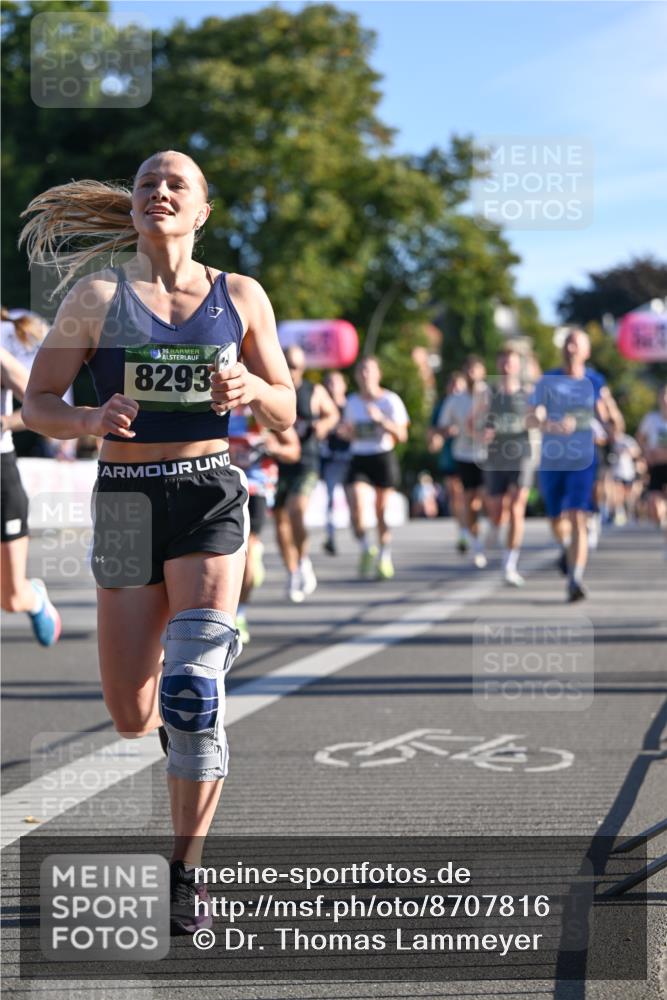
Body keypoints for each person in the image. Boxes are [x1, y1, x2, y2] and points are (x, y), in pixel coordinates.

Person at [20, 149, 296, 933]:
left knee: (192, 689)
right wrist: (87, 419)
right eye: (147, 184)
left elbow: (286, 408)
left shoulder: (239, 295)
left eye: (176, 184)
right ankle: (178, 711)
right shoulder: (96, 296)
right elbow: (39, 402)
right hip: (126, 503)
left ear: (203, 209)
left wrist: (254, 390)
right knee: (135, 714)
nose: (159, 192)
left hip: (209, 491)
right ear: (134, 208)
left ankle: (185, 870)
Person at [529, 328, 622, 601]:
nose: (570, 348)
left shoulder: (595, 380)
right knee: (556, 519)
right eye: (568, 342)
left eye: (576, 343)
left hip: (583, 458)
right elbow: (531, 417)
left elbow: (607, 416)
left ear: (586, 351)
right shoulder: (548, 380)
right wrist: (550, 424)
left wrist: (612, 421)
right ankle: (566, 547)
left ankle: (575, 579)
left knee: (577, 515)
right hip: (552, 458)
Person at [0, 343, 61, 645]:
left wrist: (4, 422)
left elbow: (39, 405)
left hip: (2, 478)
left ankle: (34, 598)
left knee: (10, 599)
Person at [228, 404, 300, 642]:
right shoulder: (214, 403)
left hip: (256, 486)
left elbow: (293, 449)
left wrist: (274, 447)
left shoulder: (260, 405)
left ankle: (239, 613)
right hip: (222, 484)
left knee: (245, 550)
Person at [274, 346, 338, 603]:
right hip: (278, 462)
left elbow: (332, 413)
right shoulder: (275, 389)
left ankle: (303, 560)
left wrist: (323, 425)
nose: (290, 370)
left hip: (307, 460)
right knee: (279, 520)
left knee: (296, 509)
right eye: (287, 364)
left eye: (295, 366)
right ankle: (292, 571)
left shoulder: (314, 391)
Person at [341, 355, 409, 579]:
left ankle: (384, 556)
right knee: (357, 509)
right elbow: (347, 432)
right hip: (359, 457)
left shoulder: (390, 401)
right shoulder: (352, 402)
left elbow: (402, 434)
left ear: (378, 374)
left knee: (381, 512)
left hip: (382, 455)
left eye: (369, 370)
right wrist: (346, 432)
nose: (365, 375)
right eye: (361, 371)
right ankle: (365, 548)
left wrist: (381, 420)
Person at [477, 347, 538, 586]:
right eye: (502, 362)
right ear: (497, 365)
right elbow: (473, 425)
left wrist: (535, 417)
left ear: (517, 366)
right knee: (497, 510)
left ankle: (509, 564)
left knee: (516, 507)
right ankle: (494, 527)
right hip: (494, 458)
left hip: (521, 455)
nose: (506, 367)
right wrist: (482, 432)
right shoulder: (487, 395)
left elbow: (537, 421)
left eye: (510, 363)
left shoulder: (528, 394)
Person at [436, 355, 488, 568]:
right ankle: (476, 544)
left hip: (488, 455)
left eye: (475, 369)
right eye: (468, 369)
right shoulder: (455, 400)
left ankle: (488, 532)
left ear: (483, 372)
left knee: (488, 501)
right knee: (469, 502)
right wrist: (448, 430)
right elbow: (441, 426)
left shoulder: (491, 395)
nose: (471, 374)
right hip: (464, 455)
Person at [428, 371, 468, 553]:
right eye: (453, 386)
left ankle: (470, 526)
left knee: (471, 496)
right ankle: (463, 531)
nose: (456, 390)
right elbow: (432, 432)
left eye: (459, 386)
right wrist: (442, 434)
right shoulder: (441, 407)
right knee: (456, 494)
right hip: (449, 457)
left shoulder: (471, 404)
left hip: (471, 455)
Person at [319, 370, 351, 555]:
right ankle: (330, 535)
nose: (332, 386)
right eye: (329, 382)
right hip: (330, 458)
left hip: (349, 457)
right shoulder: (322, 408)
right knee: (330, 497)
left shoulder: (351, 406)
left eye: (336, 382)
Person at [636, 384, 667, 552]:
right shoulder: (651, 419)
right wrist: (646, 452)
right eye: (663, 395)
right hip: (656, 467)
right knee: (655, 507)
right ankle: (663, 526)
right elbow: (640, 438)